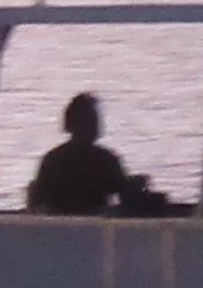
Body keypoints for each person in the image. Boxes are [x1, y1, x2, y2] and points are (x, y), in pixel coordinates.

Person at [26, 92, 167, 215]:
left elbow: (35, 202)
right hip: (93, 227)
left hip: (67, 228)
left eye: (95, 120)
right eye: (91, 120)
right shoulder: (104, 159)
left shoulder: (52, 159)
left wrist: (134, 184)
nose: (96, 124)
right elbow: (126, 196)